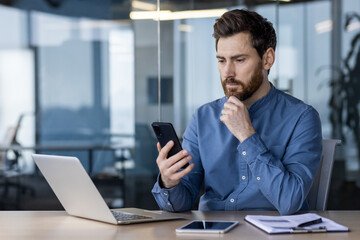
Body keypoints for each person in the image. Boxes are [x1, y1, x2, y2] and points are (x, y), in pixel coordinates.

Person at [151, 9, 322, 215]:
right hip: (212, 232)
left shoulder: (302, 118)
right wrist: (169, 182)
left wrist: (247, 135)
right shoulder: (203, 118)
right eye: (222, 60)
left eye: (239, 60)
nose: (227, 73)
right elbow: (182, 201)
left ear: (267, 59)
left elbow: (290, 201)